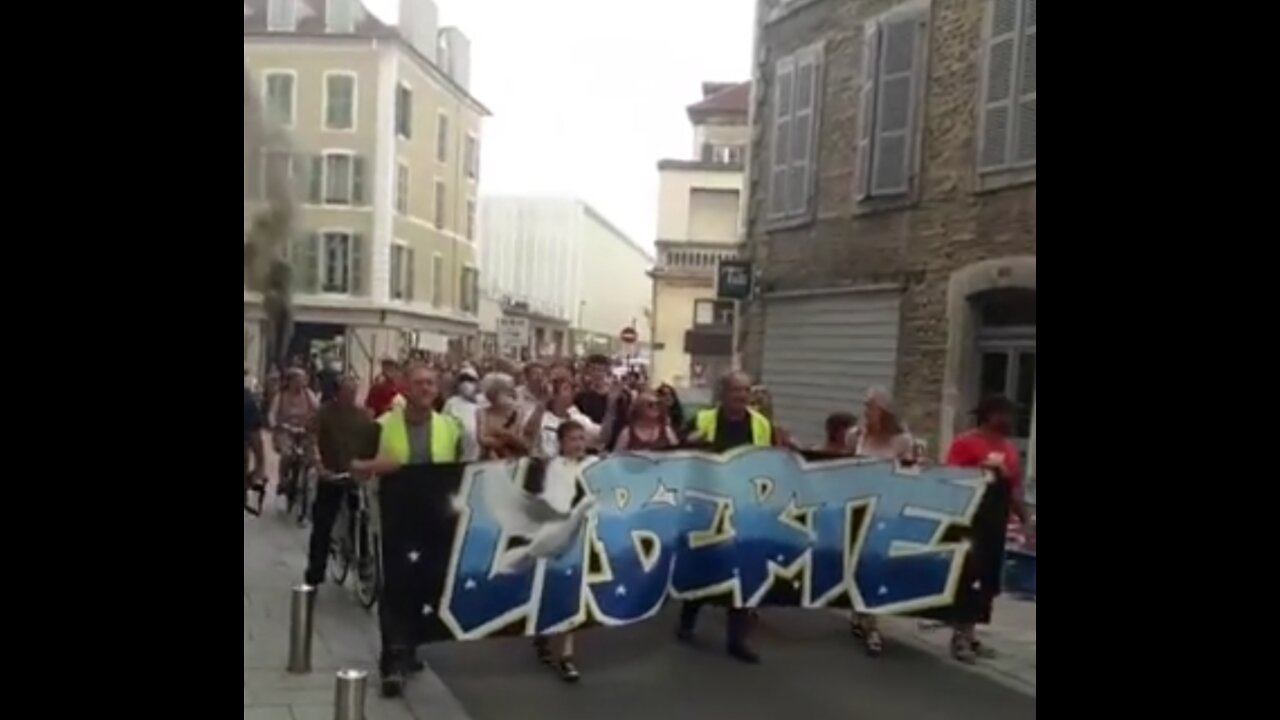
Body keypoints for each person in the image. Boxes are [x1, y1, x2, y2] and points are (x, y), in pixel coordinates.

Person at [352, 363, 463, 698]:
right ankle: (392, 661)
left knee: (427, 583)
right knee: (396, 585)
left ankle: (411, 648)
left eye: (431, 382)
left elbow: (458, 471)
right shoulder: (382, 425)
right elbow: (354, 469)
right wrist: (375, 466)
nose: (426, 388)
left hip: (435, 518)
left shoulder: (450, 427)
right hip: (395, 517)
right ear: (405, 387)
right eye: (419, 383)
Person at [679, 371, 769, 664]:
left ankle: (736, 639)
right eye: (735, 391)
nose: (741, 396)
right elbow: (677, 452)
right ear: (724, 393)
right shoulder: (704, 419)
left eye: (745, 391)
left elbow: (768, 465)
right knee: (704, 567)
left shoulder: (760, 424)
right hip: (707, 504)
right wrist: (690, 441)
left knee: (740, 570)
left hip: (743, 506)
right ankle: (687, 618)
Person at [944, 395, 1034, 664]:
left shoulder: (1008, 448)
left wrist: (1026, 520)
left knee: (988, 581)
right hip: (970, 521)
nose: (1010, 420)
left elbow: (1014, 488)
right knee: (967, 578)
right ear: (989, 415)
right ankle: (959, 636)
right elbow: (949, 479)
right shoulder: (966, 443)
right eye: (1005, 414)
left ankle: (971, 634)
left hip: (996, 524)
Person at [845, 387, 917, 656]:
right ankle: (862, 616)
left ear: (885, 411)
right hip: (858, 509)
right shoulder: (856, 436)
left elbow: (910, 475)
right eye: (864, 406)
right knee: (860, 565)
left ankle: (870, 622)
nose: (865, 412)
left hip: (886, 512)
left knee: (877, 568)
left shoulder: (901, 441)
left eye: (870, 407)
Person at [532, 420, 590, 682]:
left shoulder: (591, 467)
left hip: (584, 539)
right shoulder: (555, 469)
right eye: (573, 439)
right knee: (559, 592)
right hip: (560, 539)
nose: (579, 443)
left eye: (582, 438)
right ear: (562, 443)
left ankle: (565, 653)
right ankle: (550, 641)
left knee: (573, 595)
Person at [304, 376, 376, 586]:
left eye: (353, 392)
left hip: (354, 476)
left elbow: (374, 443)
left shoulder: (363, 417)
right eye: (346, 391)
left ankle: (363, 562)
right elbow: (312, 438)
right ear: (337, 393)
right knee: (323, 523)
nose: (350, 396)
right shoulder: (324, 413)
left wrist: (369, 467)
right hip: (331, 475)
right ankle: (316, 570)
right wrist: (319, 466)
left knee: (363, 517)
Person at [269, 368, 320, 492]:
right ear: (290, 381)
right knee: (286, 455)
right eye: (297, 380)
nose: (300, 383)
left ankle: (307, 482)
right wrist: (274, 424)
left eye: (302, 380)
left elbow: (318, 409)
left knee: (312, 455)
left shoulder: (308, 394)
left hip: (304, 431)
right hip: (285, 431)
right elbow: (272, 413)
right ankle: (283, 480)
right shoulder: (280, 396)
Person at [525, 378, 601, 458]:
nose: (572, 392)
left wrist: (611, 406)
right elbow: (528, 433)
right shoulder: (539, 416)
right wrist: (544, 400)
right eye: (566, 389)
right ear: (553, 395)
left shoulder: (576, 417)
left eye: (571, 389)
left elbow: (601, 436)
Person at [574, 355, 627, 450]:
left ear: (607, 371)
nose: (597, 373)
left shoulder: (618, 396)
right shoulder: (581, 397)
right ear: (588, 371)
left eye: (600, 370)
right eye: (593, 369)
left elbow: (622, 423)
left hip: (612, 445)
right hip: (590, 444)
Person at [478, 373, 529, 460]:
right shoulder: (482, 412)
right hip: (489, 462)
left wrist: (497, 433)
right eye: (506, 391)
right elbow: (482, 439)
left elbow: (523, 441)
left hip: (514, 459)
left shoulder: (518, 412)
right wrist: (504, 437)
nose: (512, 394)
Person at [443, 367, 483, 462]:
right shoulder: (451, 403)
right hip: (460, 458)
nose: (466, 383)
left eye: (470, 380)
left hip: (480, 458)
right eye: (463, 380)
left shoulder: (484, 402)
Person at [244, 385, 267, 504]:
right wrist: (260, 465)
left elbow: (255, 436)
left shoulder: (247, 400)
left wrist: (260, 465)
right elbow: (255, 437)